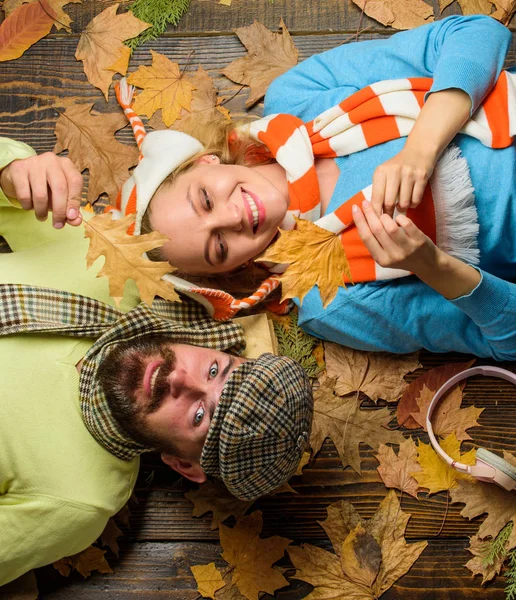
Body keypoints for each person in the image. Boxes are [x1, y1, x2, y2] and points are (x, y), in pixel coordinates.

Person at [93, 15, 514, 360]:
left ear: (207, 160)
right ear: (235, 270)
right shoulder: (329, 301)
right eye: (218, 246)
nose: (232, 216)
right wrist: (433, 267)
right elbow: (506, 340)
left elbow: (477, 33)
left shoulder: (299, 99)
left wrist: (421, 149)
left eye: (205, 199)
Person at [0, 139, 313, 585]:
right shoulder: (121, 270)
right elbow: (12, 196)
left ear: (183, 464)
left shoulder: (78, 500)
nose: (181, 382)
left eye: (200, 414)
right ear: (216, 349)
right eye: (212, 371)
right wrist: (12, 170)